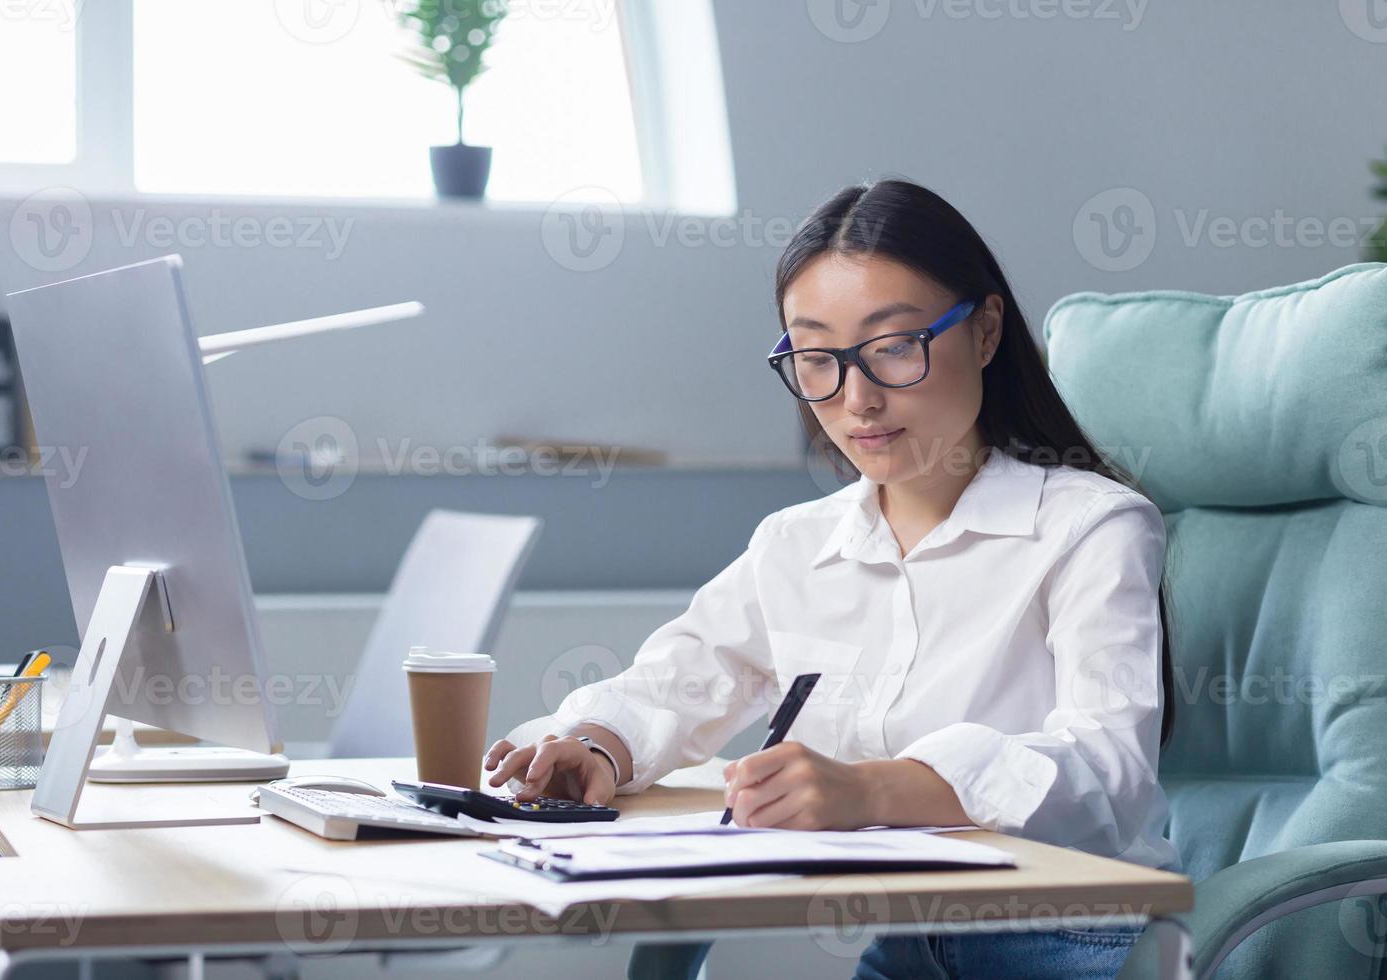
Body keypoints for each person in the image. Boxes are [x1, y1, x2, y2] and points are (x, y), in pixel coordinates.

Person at [483, 179, 1177, 980]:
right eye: (817, 360)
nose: (857, 399)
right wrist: (599, 747)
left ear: (985, 332)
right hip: (893, 937)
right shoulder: (797, 545)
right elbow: (680, 679)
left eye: (893, 347)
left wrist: (874, 792)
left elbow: (1110, 772)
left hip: (1074, 937)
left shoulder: (1090, 526)